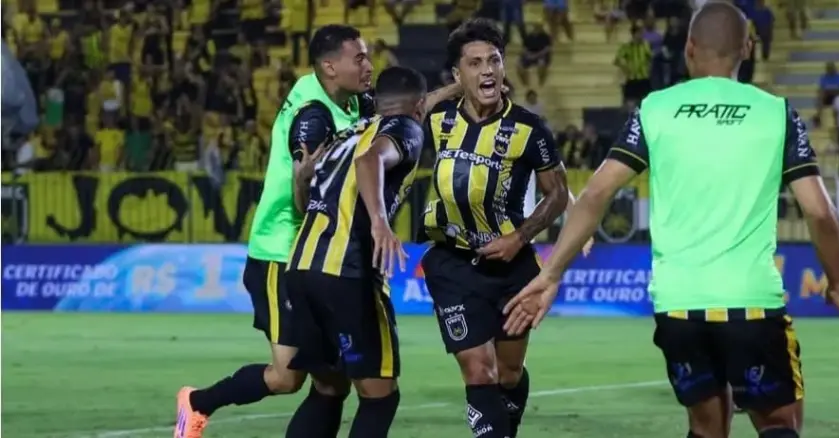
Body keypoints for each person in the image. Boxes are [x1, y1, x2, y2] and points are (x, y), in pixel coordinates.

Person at [503, 4, 839, 438]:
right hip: (750, 301)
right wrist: (836, 283)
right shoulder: (776, 113)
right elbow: (820, 212)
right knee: (779, 424)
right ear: (747, 48)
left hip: (677, 305)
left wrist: (554, 272)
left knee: (706, 428)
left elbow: (596, 192)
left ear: (689, 48)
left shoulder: (656, 109)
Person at [173, 25, 459, 438]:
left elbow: (403, 111)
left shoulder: (353, 103)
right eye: (359, 57)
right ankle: (197, 403)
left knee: (331, 382)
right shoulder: (313, 113)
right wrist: (318, 188)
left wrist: (453, 90)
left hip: (314, 253)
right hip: (283, 249)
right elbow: (303, 186)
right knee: (288, 378)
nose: (369, 64)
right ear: (330, 66)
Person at [420, 18, 571, 438]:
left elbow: (557, 194)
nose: (487, 70)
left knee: (508, 372)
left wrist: (520, 237)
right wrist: (456, 88)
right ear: (457, 74)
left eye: (494, 61)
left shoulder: (529, 128)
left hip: (512, 269)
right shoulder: (437, 120)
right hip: (451, 264)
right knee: (479, 370)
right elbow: (399, 109)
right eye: (474, 64)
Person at [284, 66, 429, 438]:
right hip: (346, 271)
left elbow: (303, 201)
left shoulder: (347, 134)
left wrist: (300, 179)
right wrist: (380, 221)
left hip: (302, 266)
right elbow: (371, 161)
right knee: (380, 394)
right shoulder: (405, 129)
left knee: (328, 388)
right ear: (420, 106)